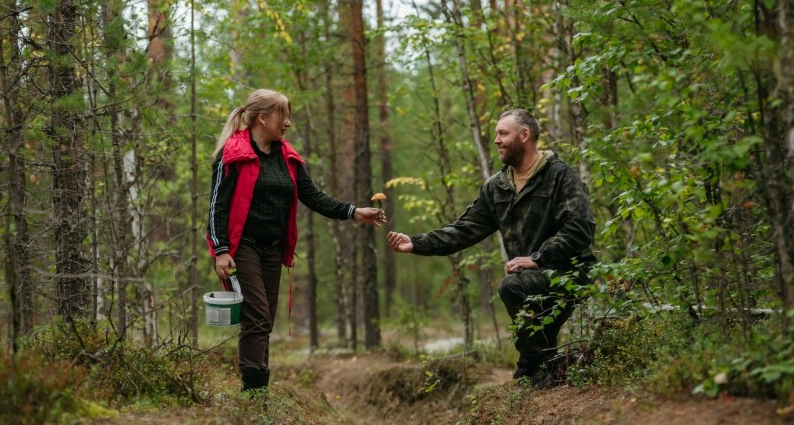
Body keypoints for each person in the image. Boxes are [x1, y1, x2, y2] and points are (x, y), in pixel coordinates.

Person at [386, 109, 596, 385]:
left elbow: (580, 229)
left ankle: (534, 374)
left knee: (513, 287)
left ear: (525, 135)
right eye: (495, 134)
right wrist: (415, 243)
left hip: (570, 274)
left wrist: (538, 257)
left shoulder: (559, 176)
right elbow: (463, 231)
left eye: (503, 133)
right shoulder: (497, 187)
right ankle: (546, 374)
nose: (496, 140)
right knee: (532, 323)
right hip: (530, 281)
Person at [206, 89, 386, 394]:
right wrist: (220, 251)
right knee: (257, 316)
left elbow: (313, 196)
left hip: (273, 249)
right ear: (263, 118)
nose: (288, 123)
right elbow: (216, 207)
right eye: (283, 115)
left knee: (265, 321)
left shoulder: (286, 156)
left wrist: (354, 212)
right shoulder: (232, 154)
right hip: (242, 247)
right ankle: (253, 395)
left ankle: (258, 393)